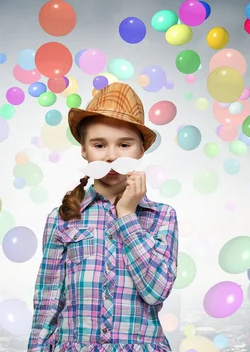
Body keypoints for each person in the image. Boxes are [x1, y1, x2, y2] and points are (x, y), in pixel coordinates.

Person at [27, 82, 179, 351]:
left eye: (124, 144)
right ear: (84, 150)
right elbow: (48, 301)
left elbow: (156, 291)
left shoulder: (162, 217)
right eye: (99, 145)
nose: (111, 156)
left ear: (141, 150)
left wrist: (127, 215)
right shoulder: (61, 219)